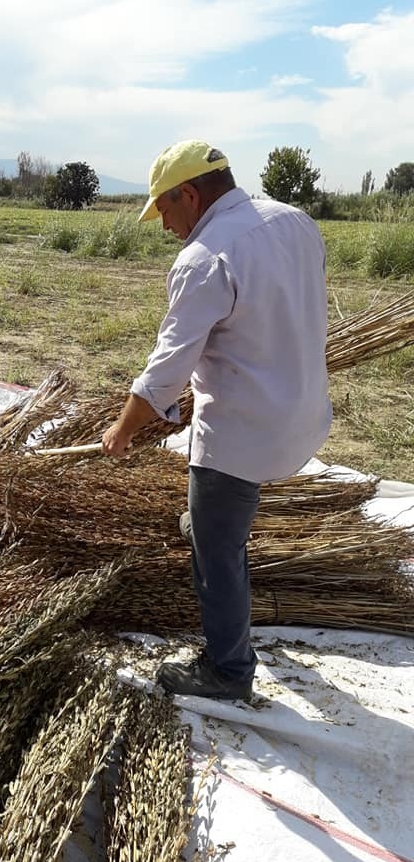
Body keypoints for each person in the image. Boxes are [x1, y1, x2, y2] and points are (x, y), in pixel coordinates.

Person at [101, 139, 332, 701]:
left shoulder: (205, 257)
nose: (165, 228)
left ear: (188, 193)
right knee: (216, 515)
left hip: (243, 433)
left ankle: (227, 669)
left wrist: (123, 430)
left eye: (165, 211)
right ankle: (207, 525)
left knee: (217, 548)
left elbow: (165, 372)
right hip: (303, 412)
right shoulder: (295, 221)